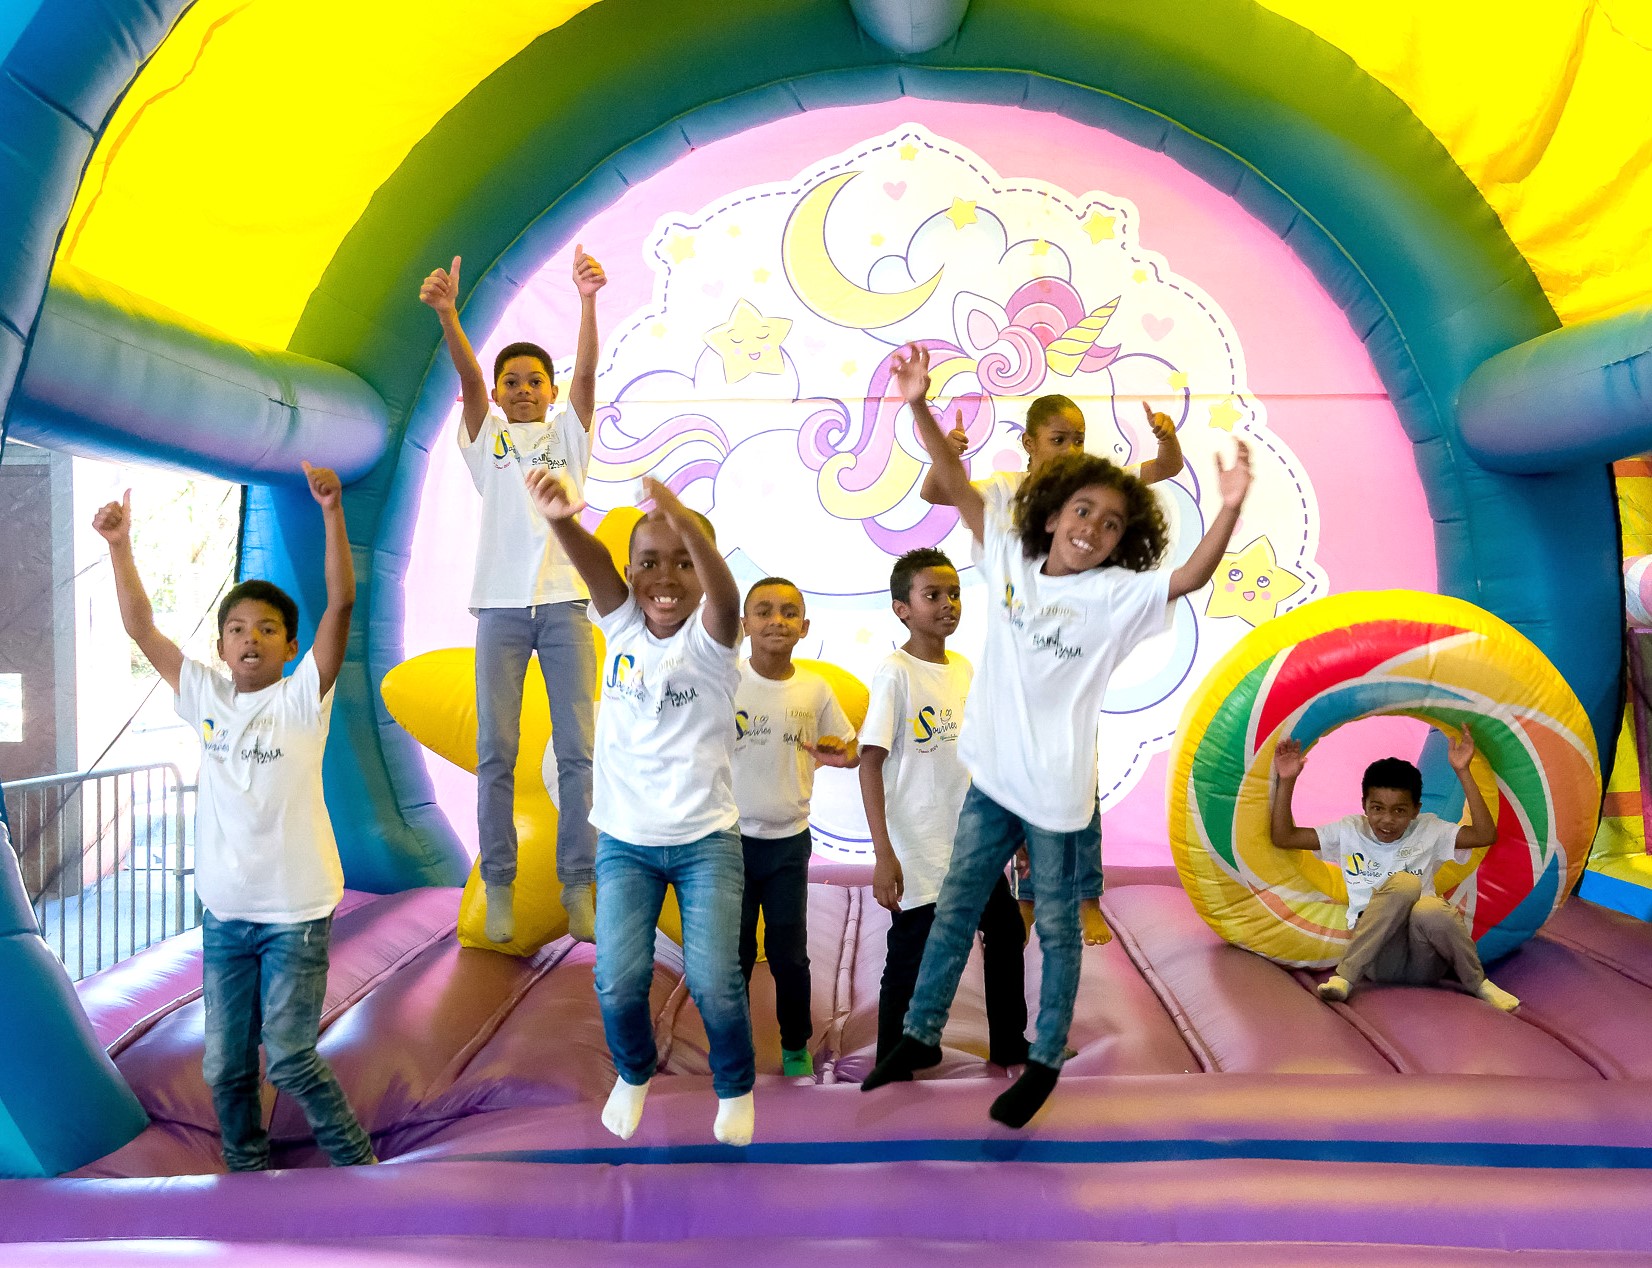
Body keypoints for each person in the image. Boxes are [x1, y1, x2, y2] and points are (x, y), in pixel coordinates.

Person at [863, 343, 1252, 1128]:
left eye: (1110, 524)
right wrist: (915, 408)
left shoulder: (1117, 595)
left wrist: (1233, 505)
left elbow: (1191, 577)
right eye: (1082, 513)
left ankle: (1042, 1059)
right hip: (992, 777)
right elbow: (960, 493)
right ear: (1050, 516)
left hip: (1059, 794)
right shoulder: (1007, 550)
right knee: (957, 906)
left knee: (1056, 925)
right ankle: (917, 1034)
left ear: (1121, 541)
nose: (1094, 529)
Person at [92, 464, 375, 1171]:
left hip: (295, 915)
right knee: (224, 1068)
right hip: (225, 914)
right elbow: (140, 627)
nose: (251, 639)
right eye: (237, 629)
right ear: (221, 648)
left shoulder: (303, 697)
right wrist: (120, 547)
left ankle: (360, 1168)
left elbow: (340, 605)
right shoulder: (205, 696)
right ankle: (247, 1171)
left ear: (289, 649)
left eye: (268, 629)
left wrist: (333, 511)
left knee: (288, 1058)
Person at [522, 467, 756, 1146]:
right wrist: (563, 520)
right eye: (648, 562)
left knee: (715, 982)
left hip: (706, 842)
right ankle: (634, 1071)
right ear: (630, 573)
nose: (666, 575)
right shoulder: (622, 627)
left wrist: (684, 521)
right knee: (618, 982)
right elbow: (597, 568)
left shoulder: (711, 645)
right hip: (625, 841)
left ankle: (734, 1083)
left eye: (683, 561)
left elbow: (726, 596)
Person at [922, 394, 1183, 945]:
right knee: (1008, 790)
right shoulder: (1005, 488)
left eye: (1078, 438)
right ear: (1030, 443)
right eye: (1058, 439)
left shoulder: (1091, 487)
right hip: (1020, 636)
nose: (1070, 449)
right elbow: (937, 491)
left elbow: (1165, 469)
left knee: (1074, 779)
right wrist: (946, 451)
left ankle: (1086, 896)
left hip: (1070, 640)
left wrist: (1165, 440)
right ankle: (1025, 897)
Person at [419, 246, 607, 945]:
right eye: (513, 382)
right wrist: (448, 316)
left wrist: (587, 300)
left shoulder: (568, 436)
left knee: (578, 754)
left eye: (535, 381)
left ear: (550, 393)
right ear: (498, 396)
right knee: (497, 750)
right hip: (499, 609)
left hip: (564, 606)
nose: (524, 389)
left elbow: (586, 373)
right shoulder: (487, 438)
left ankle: (578, 883)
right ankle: (497, 881)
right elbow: (467, 381)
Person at [860, 547, 1029, 1070]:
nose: (947, 604)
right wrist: (884, 855)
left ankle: (1009, 1042)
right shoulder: (896, 673)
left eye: (954, 593)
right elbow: (870, 764)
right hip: (921, 845)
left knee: (1004, 932)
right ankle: (897, 1052)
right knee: (913, 950)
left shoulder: (963, 668)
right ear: (901, 609)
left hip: (973, 842)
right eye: (932, 595)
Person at [1270, 728, 1518, 1010]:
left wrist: (1463, 772)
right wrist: (1286, 780)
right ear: (1364, 806)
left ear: (1415, 810)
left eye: (1399, 811)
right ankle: (1345, 977)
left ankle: (1479, 984)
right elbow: (1284, 837)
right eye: (1377, 808)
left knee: (1432, 908)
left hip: (1427, 960)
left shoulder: (1429, 828)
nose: (1386, 820)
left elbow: (1485, 835)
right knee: (1406, 884)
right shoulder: (1349, 831)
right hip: (1378, 956)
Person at [732, 577, 858, 1078]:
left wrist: (840, 755)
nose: (776, 621)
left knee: (789, 953)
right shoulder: (728, 681)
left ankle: (794, 1047)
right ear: (744, 624)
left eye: (788, 613)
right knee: (734, 953)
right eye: (763, 611)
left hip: (788, 842)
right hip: (730, 843)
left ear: (804, 627)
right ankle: (732, 1043)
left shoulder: (815, 688)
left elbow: (848, 750)